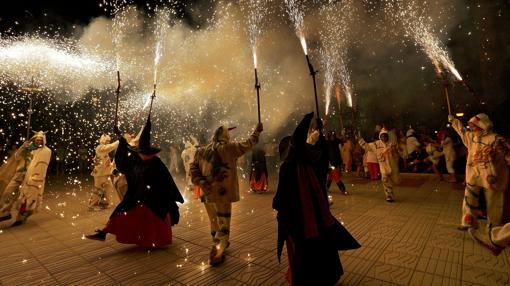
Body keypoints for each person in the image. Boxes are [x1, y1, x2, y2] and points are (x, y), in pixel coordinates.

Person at [273, 112, 360, 286]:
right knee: (309, 251)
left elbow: (321, 155)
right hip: (302, 219)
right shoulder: (290, 167)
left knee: (319, 249)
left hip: (316, 217)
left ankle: (324, 278)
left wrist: (320, 132)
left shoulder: (306, 164)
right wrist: (308, 122)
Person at [85, 116, 184, 248]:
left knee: (150, 219)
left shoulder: (156, 163)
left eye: (142, 152)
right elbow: (126, 148)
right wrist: (119, 136)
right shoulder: (138, 160)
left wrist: (166, 196)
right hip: (137, 195)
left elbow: (166, 181)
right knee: (121, 211)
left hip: (154, 199)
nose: (140, 154)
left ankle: (153, 241)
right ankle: (104, 232)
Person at [190, 122, 263, 265]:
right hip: (221, 195)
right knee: (223, 223)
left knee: (213, 221)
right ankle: (217, 253)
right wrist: (257, 132)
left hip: (207, 194)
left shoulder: (201, 150)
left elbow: (193, 169)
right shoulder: (229, 148)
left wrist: (202, 183)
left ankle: (217, 241)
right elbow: (248, 144)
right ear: (225, 136)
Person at [449, 113, 510, 231]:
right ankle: (469, 222)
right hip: (474, 175)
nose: (472, 129)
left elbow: (507, 154)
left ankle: (494, 228)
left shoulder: (496, 139)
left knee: (494, 202)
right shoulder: (471, 138)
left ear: (483, 125)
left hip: (492, 177)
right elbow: (461, 131)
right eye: (471, 127)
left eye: (474, 126)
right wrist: (454, 121)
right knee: (469, 198)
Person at [0, 131, 52, 227]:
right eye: (37, 140)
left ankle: (20, 217)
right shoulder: (28, 148)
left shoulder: (46, 151)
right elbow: (16, 157)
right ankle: (5, 212)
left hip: (31, 178)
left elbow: (42, 166)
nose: (39, 142)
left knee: (26, 199)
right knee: (8, 192)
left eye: (41, 140)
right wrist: (22, 148)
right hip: (19, 174)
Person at [359, 128, 400, 202]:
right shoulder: (376, 144)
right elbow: (367, 146)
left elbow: (398, 152)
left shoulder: (391, 144)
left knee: (395, 181)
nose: (384, 138)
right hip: (383, 166)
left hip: (392, 165)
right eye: (382, 136)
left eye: (385, 136)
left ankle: (390, 189)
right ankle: (389, 195)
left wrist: (395, 150)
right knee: (385, 178)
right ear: (380, 136)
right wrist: (360, 140)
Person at [88, 134, 119, 210]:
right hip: (100, 174)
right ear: (103, 140)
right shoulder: (100, 148)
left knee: (108, 188)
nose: (108, 142)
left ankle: (105, 202)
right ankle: (92, 206)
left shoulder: (104, 150)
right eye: (107, 141)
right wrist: (118, 141)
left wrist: (112, 164)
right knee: (98, 189)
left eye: (109, 141)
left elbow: (104, 162)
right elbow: (110, 147)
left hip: (104, 173)